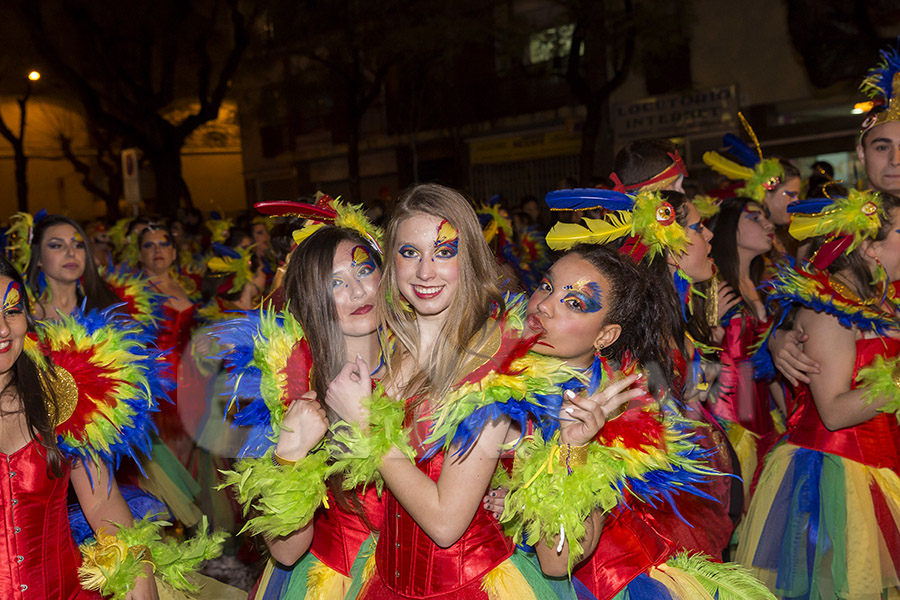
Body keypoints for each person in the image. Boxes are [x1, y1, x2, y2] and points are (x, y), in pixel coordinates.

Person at [324, 183, 571, 599]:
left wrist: (365, 425)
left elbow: (444, 523)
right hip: (383, 581)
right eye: (409, 253)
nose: (425, 272)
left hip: (471, 586)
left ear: (469, 258)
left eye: (444, 252)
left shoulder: (494, 363)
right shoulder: (388, 346)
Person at [499, 243, 774, 600]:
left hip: (597, 587)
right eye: (547, 287)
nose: (543, 306)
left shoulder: (609, 415)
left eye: (575, 303)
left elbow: (557, 560)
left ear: (605, 336)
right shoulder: (506, 373)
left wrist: (572, 450)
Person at [735, 190, 900, 598]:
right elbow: (834, 412)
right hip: (840, 478)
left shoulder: (875, 298)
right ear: (868, 246)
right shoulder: (829, 311)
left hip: (880, 466)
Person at [219, 199, 387, 599]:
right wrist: (289, 455)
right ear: (312, 299)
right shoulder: (290, 389)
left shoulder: (429, 367)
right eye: (335, 282)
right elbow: (287, 551)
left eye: (364, 270)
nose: (357, 290)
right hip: (334, 582)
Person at [0, 254, 160, 599]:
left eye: (11, 311)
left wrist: (138, 572)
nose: (2, 328)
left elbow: (102, 503)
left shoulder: (61, 396)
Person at [708, 197, 784, 504]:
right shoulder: (713, 288)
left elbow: (773, 366)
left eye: (767, 217)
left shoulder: (762, 288)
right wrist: (710, 331)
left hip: (766, 421)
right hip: (730, 427)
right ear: (729, 230)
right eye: (755, 218)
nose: (768, 224)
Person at [23, 215, 121, 320]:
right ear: (39, 258)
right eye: (57, 245)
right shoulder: (21, 311)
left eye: (78, 245)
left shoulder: (110, 306)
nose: (71, 253)